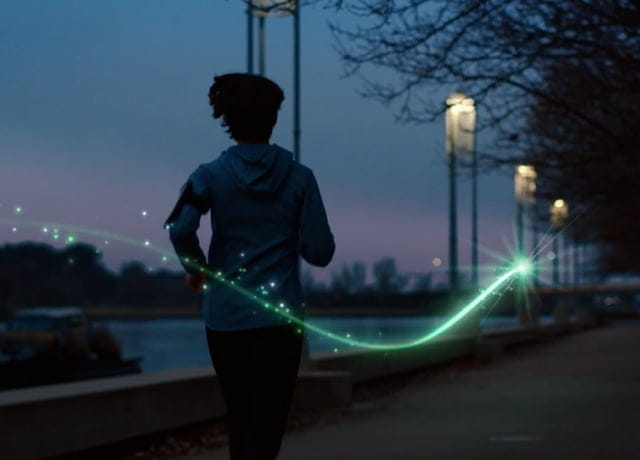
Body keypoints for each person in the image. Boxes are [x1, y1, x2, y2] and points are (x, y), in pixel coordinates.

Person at [165, 73, 335, 460]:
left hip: (226, 317)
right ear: (274, 118)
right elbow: (320, 251)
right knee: (269, 420)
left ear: (228, 120)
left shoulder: (207, 175)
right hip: (280, 318)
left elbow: (181, 228)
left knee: (240, 416)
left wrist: (197, 269)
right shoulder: (300, 178)